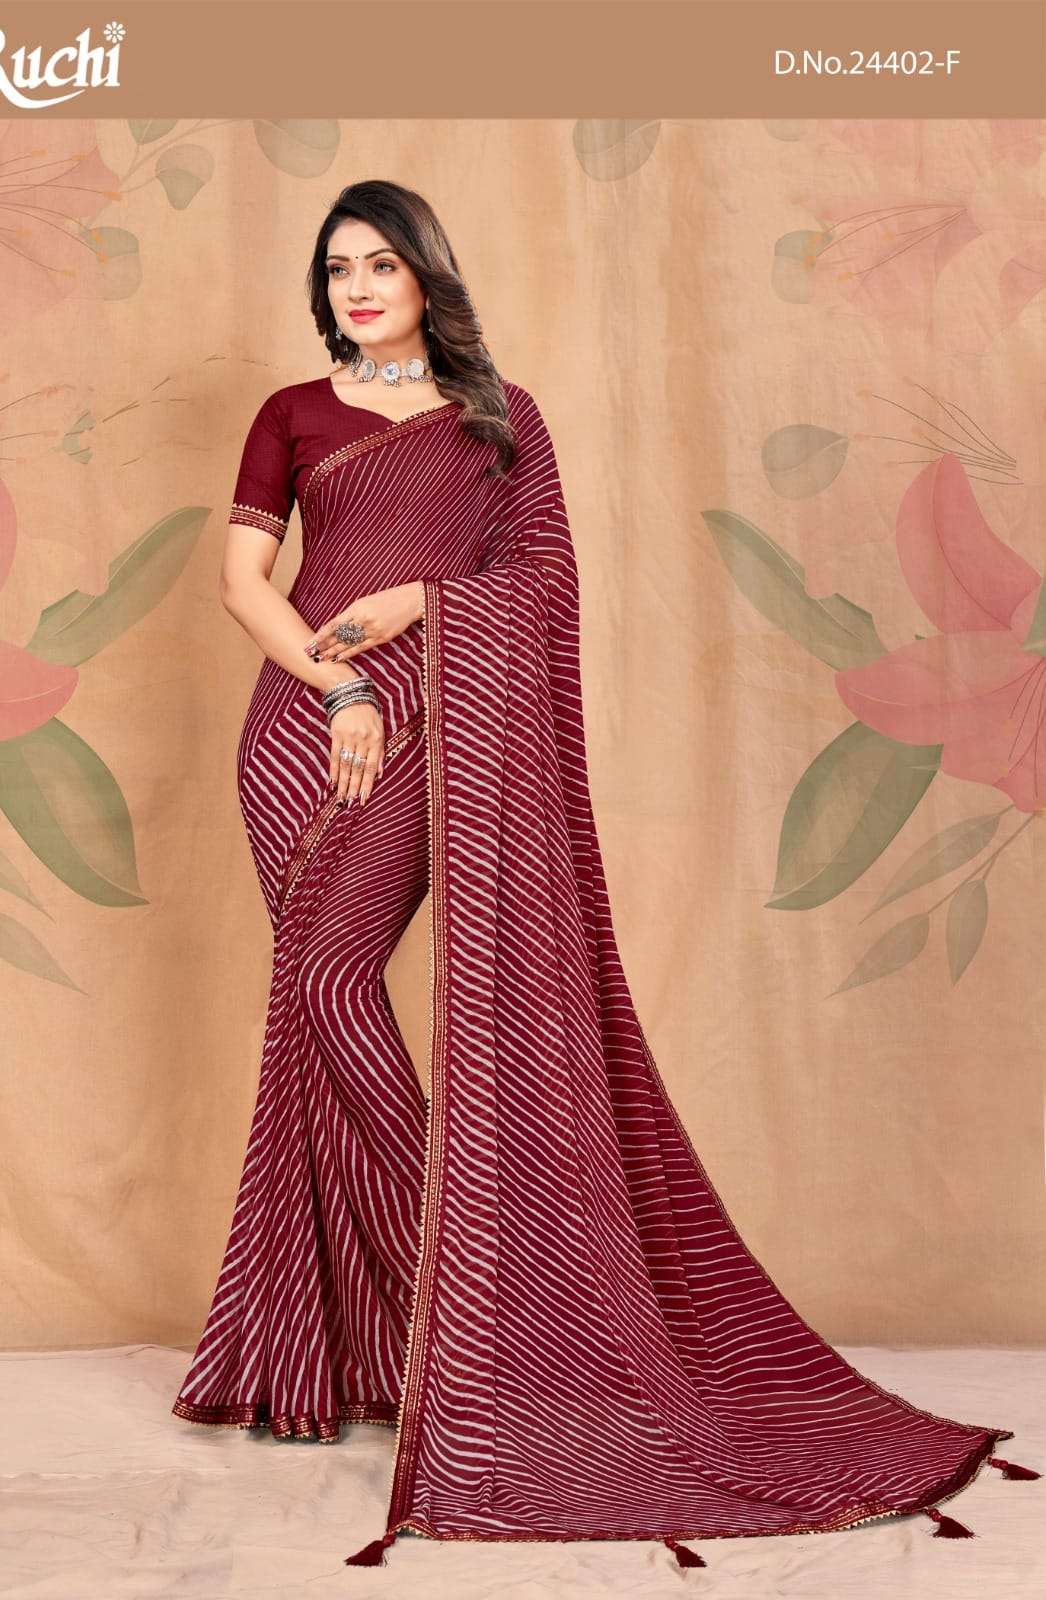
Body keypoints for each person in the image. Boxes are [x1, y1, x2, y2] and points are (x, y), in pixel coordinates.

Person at [172, 180, 1035, 1570]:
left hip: (444, 728)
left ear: (427, 276)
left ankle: (489, 1306)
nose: (358, 288)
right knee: (318, 1003)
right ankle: (398, 1334)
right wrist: (338, 685)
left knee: (324, 996)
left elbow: (548, 583)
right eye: (337, 269)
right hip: (308, 729)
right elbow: (240, 584)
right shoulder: (292, 412)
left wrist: (422, 603)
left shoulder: (498, 417)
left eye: (382, 264)